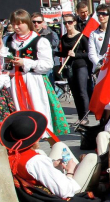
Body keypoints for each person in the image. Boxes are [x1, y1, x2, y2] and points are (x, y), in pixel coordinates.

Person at [0, 111, 98, 202]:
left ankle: (79, 170)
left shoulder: (12, 153)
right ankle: (93, 182)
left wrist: (53, 164)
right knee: (92, 158)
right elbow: (65, 191)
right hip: (65, 194)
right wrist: (70, 171)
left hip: (39, 178)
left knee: (59, 146)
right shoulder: (36, 161)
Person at [7, 9, 69, 138]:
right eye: (14, 24)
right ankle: (21, 133)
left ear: (27, 23)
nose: (16, 27)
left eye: (20, 24)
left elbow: (47, 65)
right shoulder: (8, 40)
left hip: (33, 81)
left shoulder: (39, 41)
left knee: (37, 106)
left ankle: (40, 134)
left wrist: (25, 63)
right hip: (12, 81)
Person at [56, 14, 90, 123]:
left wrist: (76, 55)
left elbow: (89, 54)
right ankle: (80, 117)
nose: (67, 24)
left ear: (74, 22)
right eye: (65, 22)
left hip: (80, 66)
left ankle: (85, 117)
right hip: (69, 67)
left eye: (69, 22)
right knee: (75, 93)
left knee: (81, 91)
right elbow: (64, 53)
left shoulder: (81, 36)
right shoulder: (64, 38)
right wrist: (53, 53)